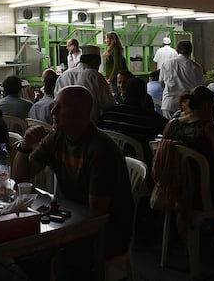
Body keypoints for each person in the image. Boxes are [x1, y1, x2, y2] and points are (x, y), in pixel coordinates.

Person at [13, 85, 134, 280]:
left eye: (59, 107)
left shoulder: (100, 150)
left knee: (59, 261)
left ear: (80, 112)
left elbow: (95, 217)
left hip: (108, 231)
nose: (52, 112)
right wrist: (25, 146)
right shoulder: (58, 137)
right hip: (69, 219)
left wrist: (53, 244)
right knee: (20, 245)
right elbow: (20, 179)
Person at [162, 86, 214, 177]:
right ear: (206, 105)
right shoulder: (210, 128)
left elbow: (162, 152)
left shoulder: (171, 124)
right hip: (202, 181)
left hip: (173, 179)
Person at [100, 77, 167, 162]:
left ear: (123, 93)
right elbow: (169, 130)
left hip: (110, 162)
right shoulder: (149, 118)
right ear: (144, 97)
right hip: (141, 167)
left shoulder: (107, 115)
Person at [55, 45, 116, 123]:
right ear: (95, 61)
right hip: (90, 127)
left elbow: (56, 101)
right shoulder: (96, 77)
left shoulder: (63, 76)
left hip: (65, 126)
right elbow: (109, 105)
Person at [159, 40, 205, 119]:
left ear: (177, 50)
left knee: (171, 128)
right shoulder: (196, 67)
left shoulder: (166, 64)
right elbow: (199, 88)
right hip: (188, 105)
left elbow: (162, 83)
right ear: (191, 51)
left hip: (169, 104)